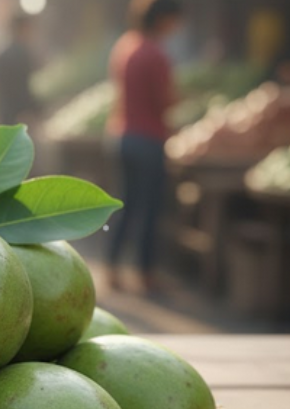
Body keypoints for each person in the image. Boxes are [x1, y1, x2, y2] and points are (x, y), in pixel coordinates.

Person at [105, 0, 182, 293]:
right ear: (163, 20)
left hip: (121, 135)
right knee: (149, 209)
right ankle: (146, 273)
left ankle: (112, 266)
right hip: (148, 140)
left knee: (124, 205)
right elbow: (164, 102)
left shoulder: (125, 46)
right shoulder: (156, 54)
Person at [0, 14, 39, 126]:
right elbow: (24, 87)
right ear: (22, 29)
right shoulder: (23, 54)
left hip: (4, 111)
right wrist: (32, 109)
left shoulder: (1, 54)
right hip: (20, 113)